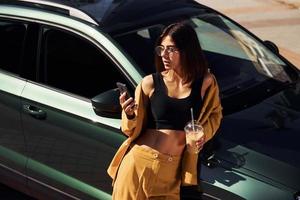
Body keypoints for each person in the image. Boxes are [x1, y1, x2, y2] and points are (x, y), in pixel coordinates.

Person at [107, 22, 223, 200]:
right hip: (139, 163)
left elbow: (215, 114)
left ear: (186, 50)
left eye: (171, 49)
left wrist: (203, 135)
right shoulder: (149, 83)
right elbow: (130, 129)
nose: (164, 55)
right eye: (161, 49)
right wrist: (129, 114)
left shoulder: (206, 81)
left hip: (173, 173)